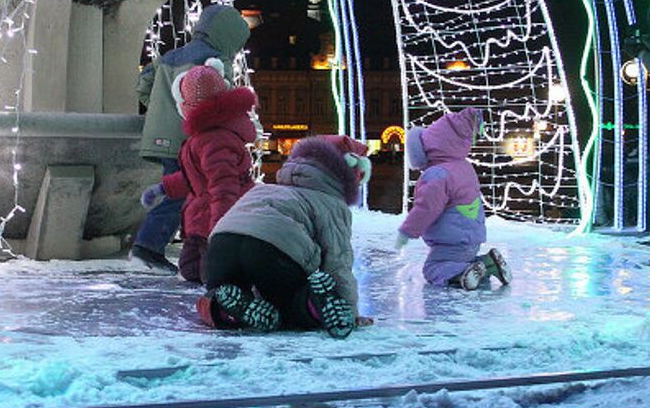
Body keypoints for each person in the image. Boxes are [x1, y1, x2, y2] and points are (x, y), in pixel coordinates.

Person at [196, 135, 374, 339]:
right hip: (272, 250)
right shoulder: (331, 203)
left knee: (219, 293)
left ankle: (224, 311)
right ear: (347, 175)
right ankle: (314, 304)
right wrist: (350, 311)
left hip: (221, 243)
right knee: (289, 304)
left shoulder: (266, 190)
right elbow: (337, 260)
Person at [131, 4, 251, 274]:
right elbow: (220, 101)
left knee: (185, 192)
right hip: (190, 139)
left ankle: (185, 251)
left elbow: (143, 83)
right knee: (185, 194)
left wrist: (159, 109)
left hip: (162, 136)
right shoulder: (215, 61)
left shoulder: (171, 56)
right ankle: (147, 249)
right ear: (229, 35)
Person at [140, 59, 257, 284]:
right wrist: (164, 187)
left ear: (186, 106)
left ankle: (226, 300)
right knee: (191, 270)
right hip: (200, 221)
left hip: (213, 224)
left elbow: (224, 188)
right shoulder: (205, 137)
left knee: (212, 275)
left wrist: (221, 230)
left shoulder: (214, 140)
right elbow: (195, 177)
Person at [394, 108, 512, 290]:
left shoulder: (437, 175)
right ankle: (488, 263)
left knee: (434, 269)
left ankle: (463, 274)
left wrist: (407, 232)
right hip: (472, 238)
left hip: (450, 241)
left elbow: (426, 209)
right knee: (462, 259)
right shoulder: (464, 167)